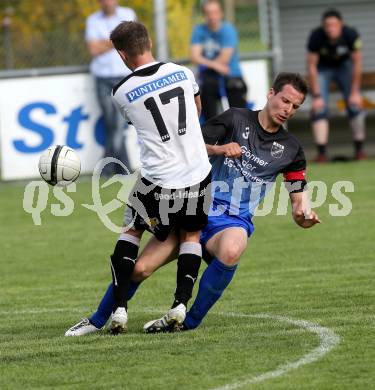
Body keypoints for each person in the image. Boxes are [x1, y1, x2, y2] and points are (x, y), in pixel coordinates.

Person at [65, 72, 320, 336]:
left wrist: (303, 215)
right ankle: (96, 320)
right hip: (194, 205)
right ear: (271, 94)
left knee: (233, 248)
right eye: (285, 101)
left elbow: (298, 199)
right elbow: (193, 143)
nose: (287, 110)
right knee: (139, 269)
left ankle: (188, 321)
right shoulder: (235, 118)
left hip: (231, 221)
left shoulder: (291, 149)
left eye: (295, 106)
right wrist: (221, 149)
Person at [103, 21, 211, 334]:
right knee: (191, 237)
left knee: (130, 232)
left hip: (157, 179)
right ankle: (180, 304)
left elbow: (139, 124)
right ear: (149, 41)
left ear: (122, 55)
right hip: (196, 173)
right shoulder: (184, 72)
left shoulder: (121, 92)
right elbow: (197, 109)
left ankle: (120, 308)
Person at [307, 8, 366, 162]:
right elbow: (312, 66)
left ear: (341, 24)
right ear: (323, 26)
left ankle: (360, 151)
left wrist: (355, 92)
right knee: (318, 108)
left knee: (355, 105)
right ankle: (321, 154)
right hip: (323, 69)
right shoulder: (316, 36)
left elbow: (357, 63)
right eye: (327, 25)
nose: (330, 28)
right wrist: (317, 96)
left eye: (334, 25)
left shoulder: (351, 34)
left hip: (345, 67)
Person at [85, 0, 136, 175]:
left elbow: (131, 43)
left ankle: (107, 168)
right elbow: (93, 49)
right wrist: (116, 41)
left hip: (124, 78)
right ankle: (124, 168)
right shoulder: (93, 20)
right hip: (102, 78)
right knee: (112, 124)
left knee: (118, 124)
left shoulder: (128, 14)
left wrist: (104, 44)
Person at [190, 0, 247, 120]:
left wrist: (206, 62)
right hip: (209, 76)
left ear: (221, 13)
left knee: (238, 105)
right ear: (204, 15)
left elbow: (224, 59)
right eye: (208, 13)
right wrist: (215, 66)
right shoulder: (199, 31)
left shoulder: (228, 30)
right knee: (205, 91)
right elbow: (195, 57)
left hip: (231, 74)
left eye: (215, 12)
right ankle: (212, 130)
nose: (212, 16)